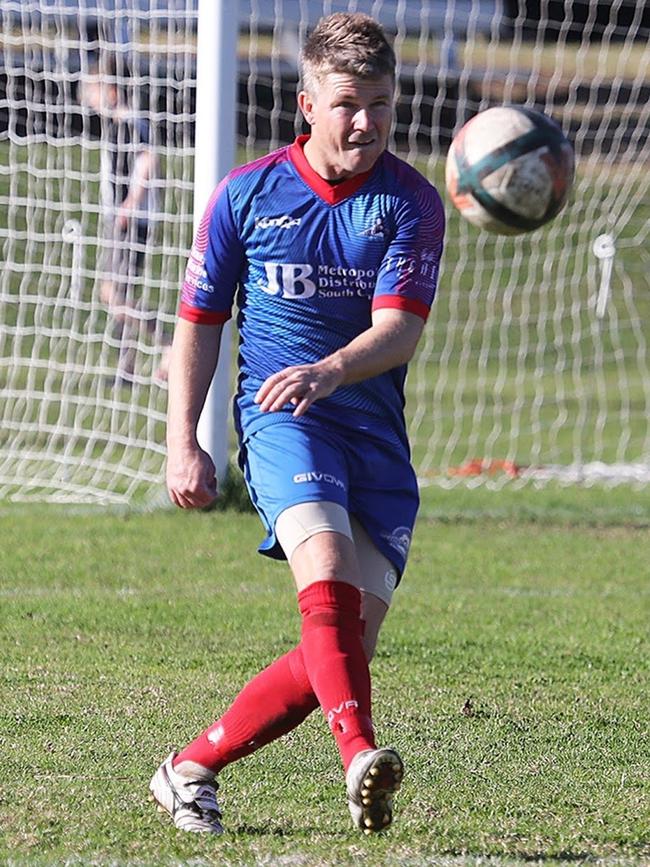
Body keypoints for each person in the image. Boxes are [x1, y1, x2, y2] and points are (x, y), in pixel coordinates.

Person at [149, 12, 445, 836]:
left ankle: (189, 767)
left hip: (375, 439)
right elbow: (199, 320)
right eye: (349, 102)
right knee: (324, 575)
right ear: (306, 103)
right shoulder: (246, 194)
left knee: (338, 656)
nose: (367, 122)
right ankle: (361, 755)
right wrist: (186, 441)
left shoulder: (411, 202)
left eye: (382, 104)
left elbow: (402, 331)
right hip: (283, 421)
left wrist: (331, 369)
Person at [80, 54, 170, 384]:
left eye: (93, 89)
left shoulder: (133, 121)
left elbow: (148, 159)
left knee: (114, 293)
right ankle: (126, 368)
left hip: (130, 220)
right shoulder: (119, 122)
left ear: (112, 90)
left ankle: (169, 344)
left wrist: (130, 204)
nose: (89, 98)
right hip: (120, 218)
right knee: (117, 292)